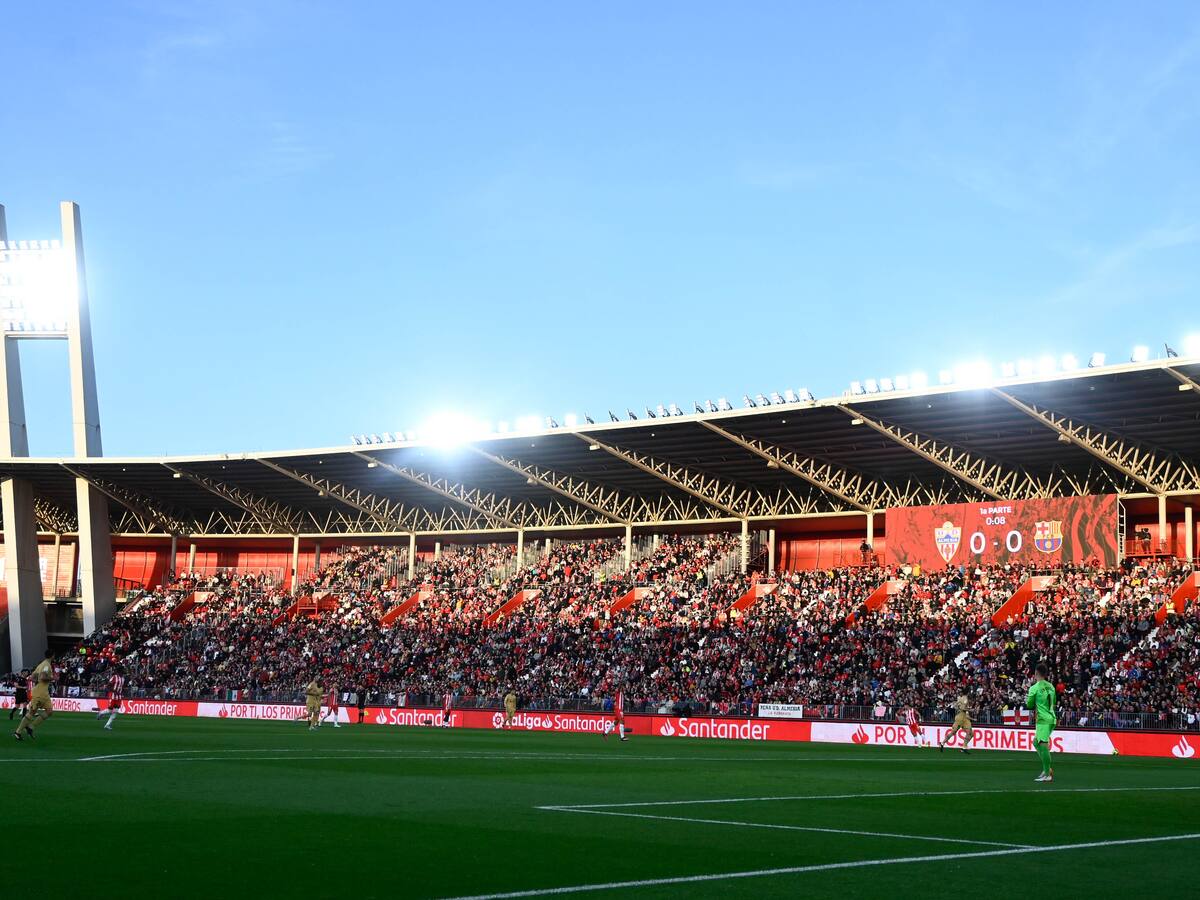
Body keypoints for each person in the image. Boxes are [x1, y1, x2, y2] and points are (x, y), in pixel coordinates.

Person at [13, 651, 55, 741]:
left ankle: (30, 727)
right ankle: (18, 732)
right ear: (52, 656)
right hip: (40, 693)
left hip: (43, 692)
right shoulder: (46, 665)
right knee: (32, 712)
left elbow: (32, 677)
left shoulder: (41, 665)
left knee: (49, 711)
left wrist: (38, 680)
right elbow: (43, 677)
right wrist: (52, 678)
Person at [1026, 663, 1057, 782]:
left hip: (1043, 719)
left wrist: (1029, 698)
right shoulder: (1051, 686)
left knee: (1043, 744)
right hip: (1051, 717)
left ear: (1036, 673)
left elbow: (1029, 705)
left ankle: (1047, 773)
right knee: (1036, 742)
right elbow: (1054, 702)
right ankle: (1046, 768)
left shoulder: (1034, 688)